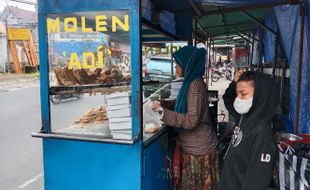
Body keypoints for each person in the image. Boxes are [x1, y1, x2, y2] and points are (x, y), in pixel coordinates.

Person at [152, 45, 219, 190]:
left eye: (178, 65)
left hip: (199, 150)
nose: (175, 68)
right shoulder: (190, 82)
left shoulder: (194, 85)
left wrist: (163, 112)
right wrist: (164, 103)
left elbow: (191, 120)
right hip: (194, 147)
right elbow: (184, 104)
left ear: (188, 65)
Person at [219, 70, 279, 190]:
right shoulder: (245, 116)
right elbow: (228, 99)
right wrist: (234, 82)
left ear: (259, 96)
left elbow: (255, 184)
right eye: (237, 94)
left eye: (244, 94)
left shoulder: (263, 136)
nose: (239, 99)